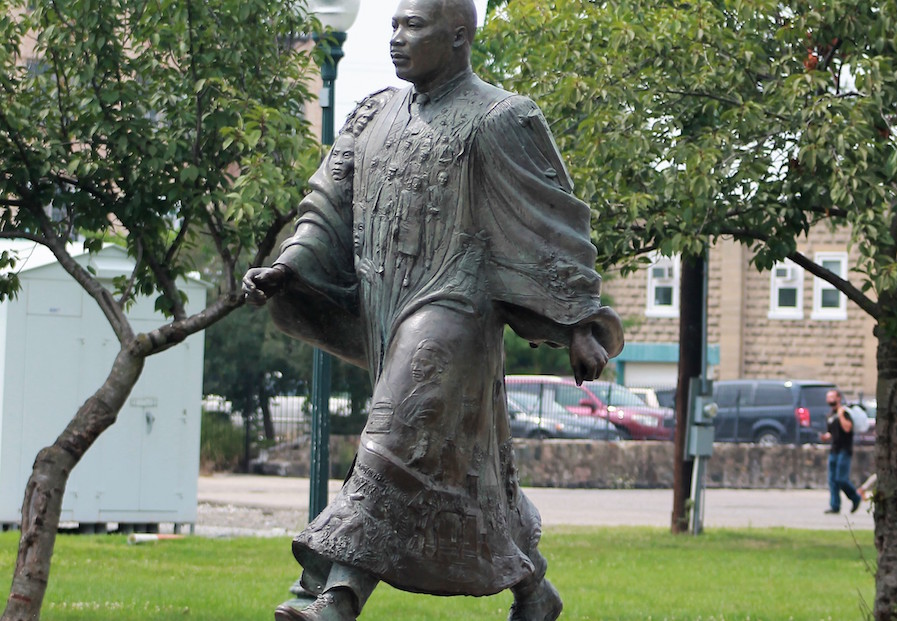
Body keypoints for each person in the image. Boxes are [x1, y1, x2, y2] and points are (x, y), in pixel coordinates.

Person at [244, 0, 624, 618]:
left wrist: (579, 325)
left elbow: (548, 226)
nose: (397, 38)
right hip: (386, 308)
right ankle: (533, 589)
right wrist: (288, 266)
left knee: (388, 440)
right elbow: (327, 204)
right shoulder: (371, 115)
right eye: (393, 25)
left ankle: (330, 596)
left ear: (458, 37)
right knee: (464, 465)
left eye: (412, 26)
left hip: (456, 312)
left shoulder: (501, 118)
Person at [819, 389, 862, 514]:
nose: (830, 400)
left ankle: (855, 497)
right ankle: (835, 506)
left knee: (841, 479)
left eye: (832, 397)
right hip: (834, 450)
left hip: (845, 450)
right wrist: (826, 436)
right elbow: (832, 433)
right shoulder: (830, 415)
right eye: (828, 398)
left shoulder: (844, 412)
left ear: (838, 398)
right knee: (832, 480)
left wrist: (841, 414)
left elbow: (847, 428)